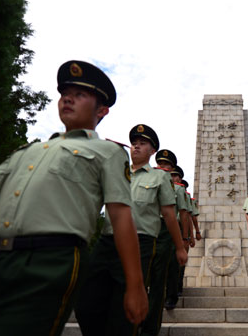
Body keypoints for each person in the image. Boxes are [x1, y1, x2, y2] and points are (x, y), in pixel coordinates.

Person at [0, 60, 148, 336]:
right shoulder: (30, 150)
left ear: (102, 110)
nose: (68, 98)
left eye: (80, 94)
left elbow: (121, 215)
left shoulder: (107, 152)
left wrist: (134, 285)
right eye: (65, 93)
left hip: (50, 262)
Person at [75, 124, 187, 336]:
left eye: (142, 144)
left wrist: (180, 247)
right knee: (85, 300)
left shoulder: (160, 177)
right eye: (134, 143)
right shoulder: (117, 173)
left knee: (125, 304)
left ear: (152, 151)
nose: (136, 147)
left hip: (140, 243)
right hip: (108, 240)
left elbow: (170, 215)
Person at [141, 150, 190, 336]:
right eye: (160, 164)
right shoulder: (145, 179)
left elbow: (182, 214)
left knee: (162, 270)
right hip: (145, 227)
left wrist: (184, 239)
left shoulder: (177, 189)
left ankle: (160, 310)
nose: (163, 167)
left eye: (167, 166)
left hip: (166, 229)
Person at [164, 165, 192, 309]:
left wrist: (186, 237)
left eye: (175, 175)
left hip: (176, 227)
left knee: (174, 263)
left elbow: (185, 214)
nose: (172, 178)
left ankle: (172, 294)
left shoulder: (180, 191)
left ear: (179, 178)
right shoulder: (160, 185)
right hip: (159, 227)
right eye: (171, 175)